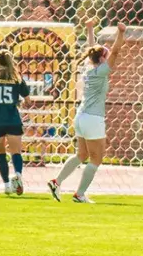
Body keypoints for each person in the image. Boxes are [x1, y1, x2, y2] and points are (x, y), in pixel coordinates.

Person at [49, 20, 128, 204]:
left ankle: (56, 181)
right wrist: (121, 33)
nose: (109, 56)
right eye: (105, 55)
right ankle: (80, 194)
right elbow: (115, 51)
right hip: (93, 118)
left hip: (81, 116)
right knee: (96, 158)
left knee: (82, 155)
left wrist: (90, 29)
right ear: (101, 59)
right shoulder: (101, 71)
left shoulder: (89, 68)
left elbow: (93, 48)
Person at [0, 50, 33, 196]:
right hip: (12, 119)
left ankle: (7, 185)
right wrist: (20, 101)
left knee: (1, 152)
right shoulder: (16, 77)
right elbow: (28, 100)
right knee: (16, 151)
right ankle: (18, 174)